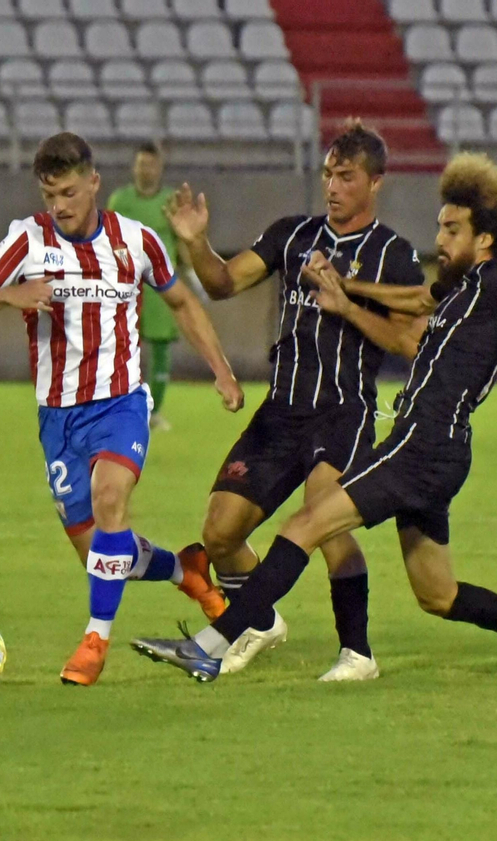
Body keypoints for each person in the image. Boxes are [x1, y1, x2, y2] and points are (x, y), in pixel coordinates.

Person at [130, 152, 497, 683]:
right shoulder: (458, 286)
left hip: (421, 445)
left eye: (451, 229)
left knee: (302, 527)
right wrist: (342, 290)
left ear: (485, 237)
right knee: (439, 594)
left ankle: (209, 643)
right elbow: (410, 302)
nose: (439, 237)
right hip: (437, 449)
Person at [0, 132, 245, 687]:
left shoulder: (137, 242)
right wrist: (11, 295)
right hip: (58, 419)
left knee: (111, 501)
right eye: (49, 194)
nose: (59, 205)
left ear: (94, 183)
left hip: (120, 403)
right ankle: (187, 570)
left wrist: (221, 370)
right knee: (103, 554)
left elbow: (181, 302)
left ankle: (94, 641)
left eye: (69, 192)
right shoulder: (26, 241)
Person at [161, 121, 428, 682]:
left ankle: (357, 653)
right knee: (219, 532)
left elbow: (409, 341)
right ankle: (260, 622)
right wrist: (195, 242)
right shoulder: (293, 234)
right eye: (329, 173)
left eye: (346, 176)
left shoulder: (393, 255)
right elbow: (223, 283)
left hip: (343, 409)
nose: (332, 185)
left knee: (323, 519)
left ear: (375, 182)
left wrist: (349, 307)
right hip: (280, 409)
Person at [105, 141, 198, 432]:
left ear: (160, 167)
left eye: (152, 164)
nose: (147, 169)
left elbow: (181, 240)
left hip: (160, 285)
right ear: (134, 166)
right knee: (120, 346)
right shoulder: (120, 201)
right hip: (125, 285)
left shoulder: (171, 200)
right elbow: (110, 240)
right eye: (142, 163)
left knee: (160, 348)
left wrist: (193, 274)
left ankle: (154, 411)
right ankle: (117, 406)